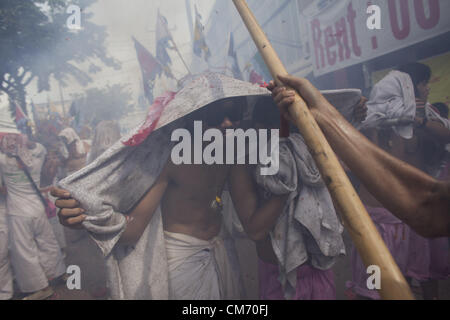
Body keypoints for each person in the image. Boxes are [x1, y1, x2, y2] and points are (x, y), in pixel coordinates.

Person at [53, 95, 289, 300]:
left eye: (234, 114)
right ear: (195, 115)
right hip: (182, 262)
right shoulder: (171, 159)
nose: (227, 124)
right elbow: (133, 230)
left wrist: (287, 186)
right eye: (218, 115)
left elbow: (254, 228)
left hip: (222, 253)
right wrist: (86, 215)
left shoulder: (231, 155)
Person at [268, 74, 450, 238]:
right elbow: (429, 204)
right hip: (378, 214)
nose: (427, 88)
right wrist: (324, 114)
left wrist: (325, 115)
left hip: (397, 217)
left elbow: (430, 205)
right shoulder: (377, 126)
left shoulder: (421, 123)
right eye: (422, 84)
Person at [0, 133, 66, 300]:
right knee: (47, 242)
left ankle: (40, 287)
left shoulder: (4, 162)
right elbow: (36, 147)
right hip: (38, 209)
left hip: (18, 213)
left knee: (24, 251)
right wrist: (23, 140)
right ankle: (57, 274)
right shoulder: (38, 156)